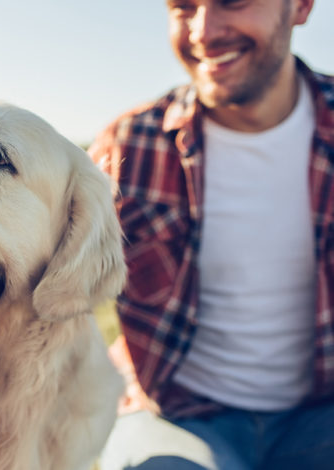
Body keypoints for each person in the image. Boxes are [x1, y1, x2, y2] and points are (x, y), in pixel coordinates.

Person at [88, 1, 334, 469]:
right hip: (177, 416)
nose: (204, 30)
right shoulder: (126, 149)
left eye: (232, 2)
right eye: (183, 7)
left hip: (322, 416)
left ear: (301, 7)